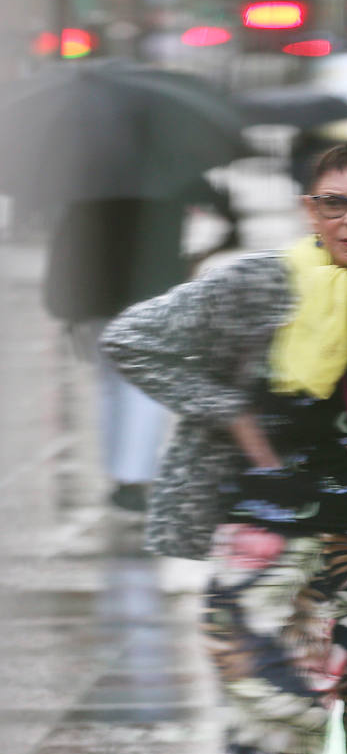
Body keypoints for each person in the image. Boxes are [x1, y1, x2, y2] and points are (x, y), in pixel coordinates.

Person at [101, 141, 347, 754]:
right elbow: (133, 337)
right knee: (269, 732)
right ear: (310, 209)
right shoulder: (259, 283)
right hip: (273, 544)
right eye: (335, 203)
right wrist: (227, 409)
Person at [43, 179, 239, 511]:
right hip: (155, 283)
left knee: (111, 381)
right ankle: (132, 478)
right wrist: (198, 255)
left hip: (100, 286)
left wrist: (67, 307)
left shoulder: (91, 170)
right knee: (143, 385)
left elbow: (67, 239)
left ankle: (122, 477)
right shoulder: (167, 163)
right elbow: (225, 212)